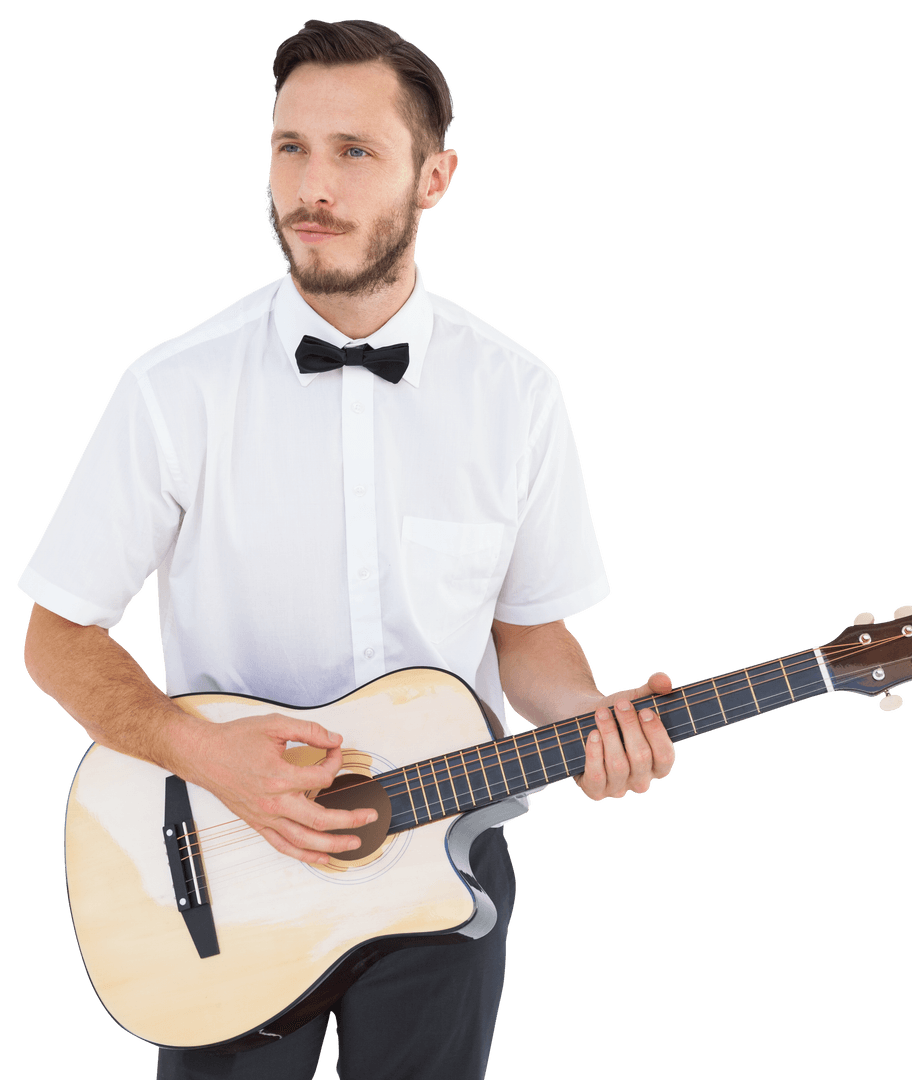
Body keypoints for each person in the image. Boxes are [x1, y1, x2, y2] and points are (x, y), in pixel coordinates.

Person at [20, 18, 675, 1080]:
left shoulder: (518, 395)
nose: (311, 187)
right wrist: (204, 755)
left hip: (445, 865)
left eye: (354, 152)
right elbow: (56, 632)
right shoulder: (173, 390)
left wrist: (595, 723)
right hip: (230, 875)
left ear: (435, 178)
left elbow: (531, 640)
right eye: (290, 148)